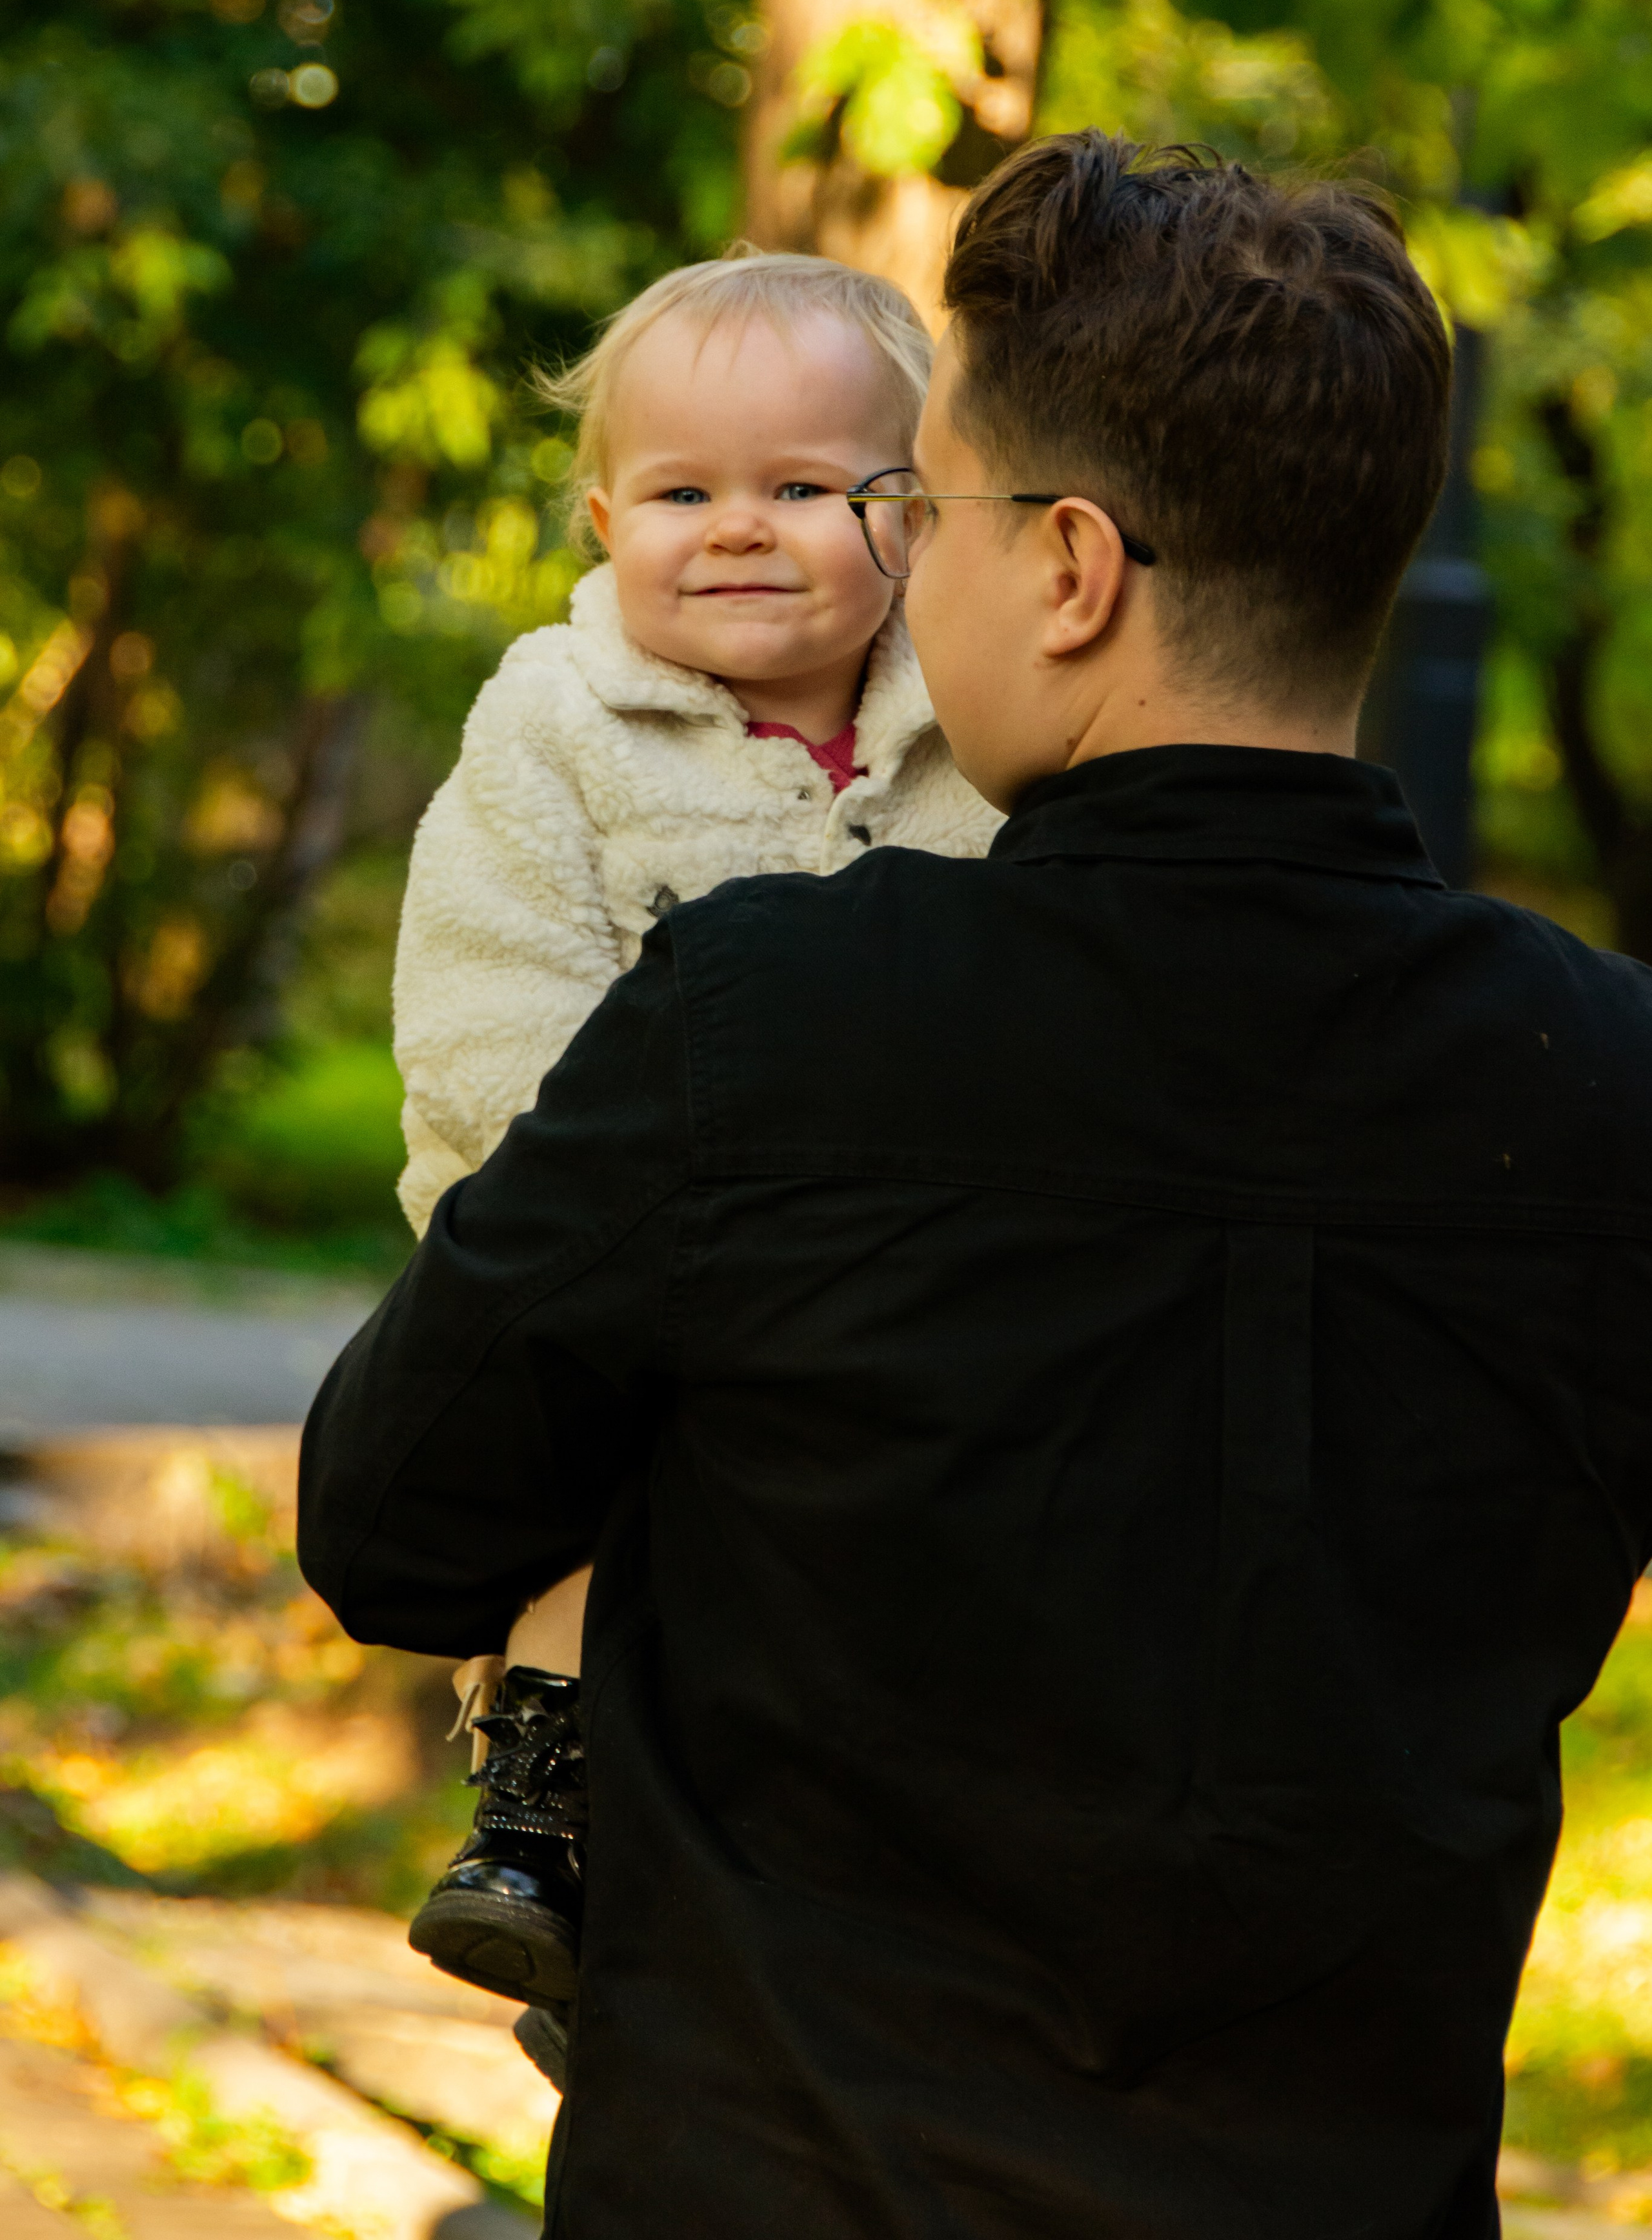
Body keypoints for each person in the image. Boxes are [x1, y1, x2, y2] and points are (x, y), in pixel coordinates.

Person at [299, 132, 1652, 2239]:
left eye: (913, 506)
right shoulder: (1612, 1088)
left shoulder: (760, 1020)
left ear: (1075, 568)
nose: (895, 560)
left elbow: (390, 1524)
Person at [388, 249, 999, 2026]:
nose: (740, 529)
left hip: (899, 1283)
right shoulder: (555, 728)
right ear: (601, 518)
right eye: (683, 493)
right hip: (611, 1268)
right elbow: (489, 1009)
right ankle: (546, 1836)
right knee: (612, 1520)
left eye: (805, 488)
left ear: (914, 512)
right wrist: (623, 1215)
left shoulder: (966, 729)